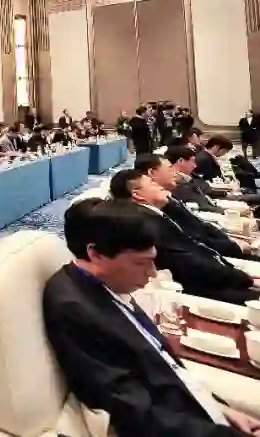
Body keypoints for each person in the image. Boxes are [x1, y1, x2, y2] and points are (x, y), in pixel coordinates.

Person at [43, 198, 260, 436]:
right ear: (94, 253)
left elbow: (164, 363)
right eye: (141, 263)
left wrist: (221, 409)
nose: (152, 274)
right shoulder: (74, 308)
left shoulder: (108, 285)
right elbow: (134, 412)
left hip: (193, 407)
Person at [108, 167, 259, 305]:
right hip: (199, 289)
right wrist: (241, 277)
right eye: (152, 184)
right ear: (137, 194)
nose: (159, 186)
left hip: (215, 269)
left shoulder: (156, 212)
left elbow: (196, 240)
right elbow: (188, 260)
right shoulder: (144, 223)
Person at [134, 154, 259, 263]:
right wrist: (234, 247)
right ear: (152, 173)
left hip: (214, 247)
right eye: (170, 168)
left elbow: (200, 226)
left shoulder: (170, 196)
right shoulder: (157, 211)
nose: (175, 172)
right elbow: (194, 243)